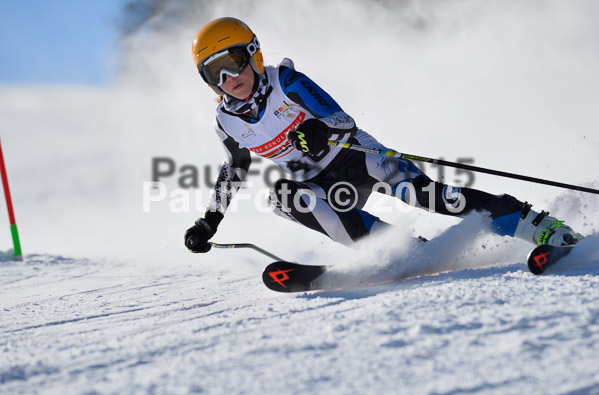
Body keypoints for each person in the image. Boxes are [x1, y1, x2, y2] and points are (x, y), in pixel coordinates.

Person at [184, 17, 583, 253]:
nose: (228, 78)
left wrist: (316, 129)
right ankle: (403, 253)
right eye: (214, 72)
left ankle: (535, 224)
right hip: (321, 184)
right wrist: (209, 222)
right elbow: (234, 169)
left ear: (252, 53)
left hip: (358, 157)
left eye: (233, 62)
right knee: (281, 197)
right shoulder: (226, 121)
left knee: (427, 195)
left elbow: (341, 120)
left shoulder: (286, 82)